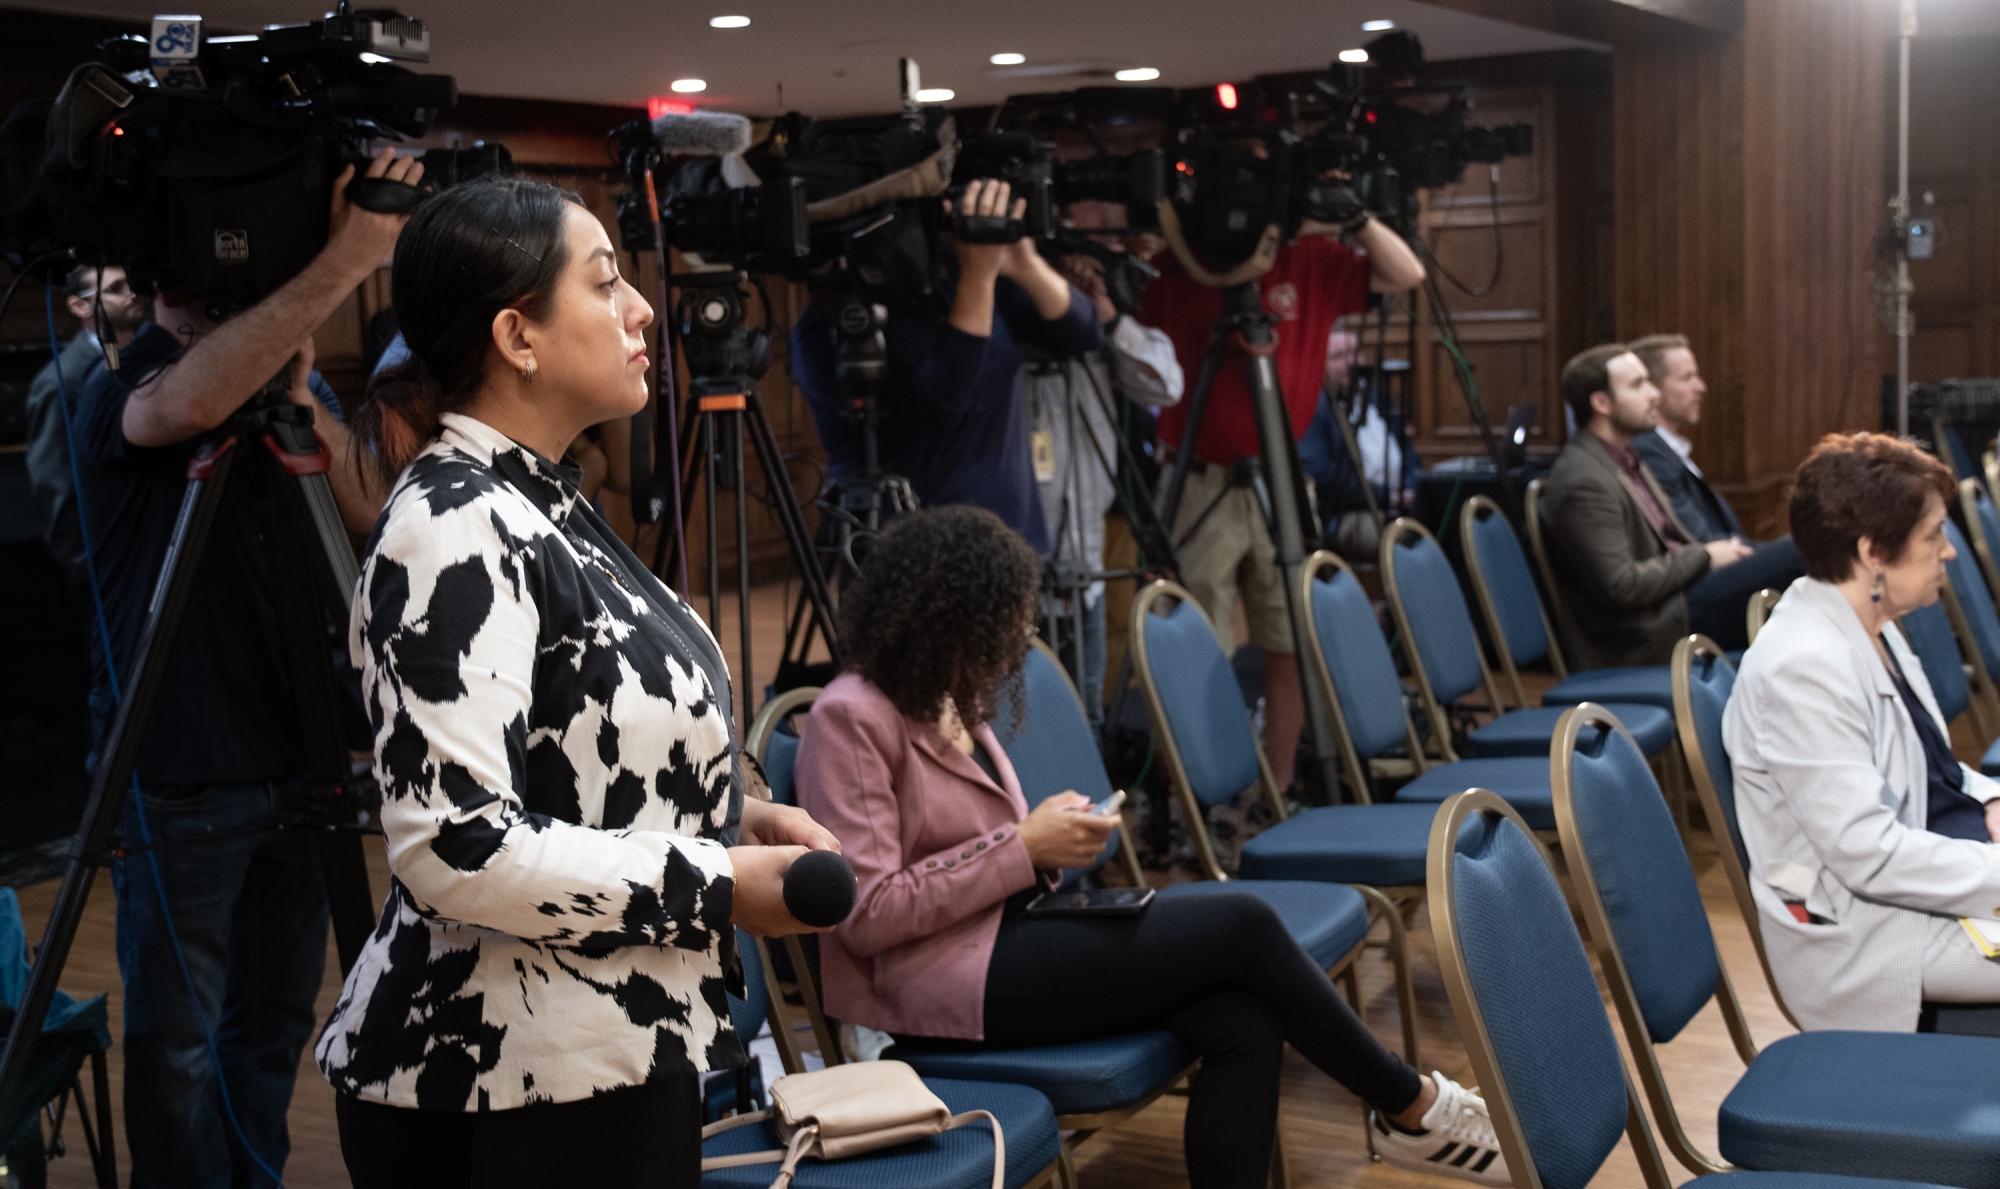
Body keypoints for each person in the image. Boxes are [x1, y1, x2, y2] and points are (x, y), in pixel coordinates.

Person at [314, 176, 838, 1186]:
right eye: (605, 286)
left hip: (593, 1053)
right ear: (518, 336)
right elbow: (456, 845)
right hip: (502, 1074)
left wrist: (729, 812)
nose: (643, 310)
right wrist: (717, 880)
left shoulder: (537, 494)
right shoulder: (453, 526)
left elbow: (589, 744)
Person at [792, 504, 1508, 1189]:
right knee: (1245, 922)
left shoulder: (945, 695)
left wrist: (1042, 837)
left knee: (1242, 1015)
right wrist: (1022, 844)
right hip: (933, 988)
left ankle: (1405, 1108)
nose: (1021, 628)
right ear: (952, 613)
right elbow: (866, 911)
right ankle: (1407, 1102)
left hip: (1008, 938)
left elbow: (975, 845)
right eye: (1008, 611)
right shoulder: (848, 717)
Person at [63, 148, 413, 1188]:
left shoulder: (281, 396)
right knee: (175, 1040)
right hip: (186, 772)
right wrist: (350, 257)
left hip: (302, 762)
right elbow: (185, 407)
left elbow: (373, 514)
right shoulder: (127, 392)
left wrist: (302, 394)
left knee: (272, 1022)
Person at [1138, 196, 1424, 792]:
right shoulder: (1178, 261)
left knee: (1290, 636)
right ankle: (1201, 795)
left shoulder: (1310, 258)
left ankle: (1280, 780)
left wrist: (1355, 213)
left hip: (1283, 474)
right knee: (1191, 646)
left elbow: (1407, 273)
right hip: (1197, 477)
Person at [1724, 433, 2000, 1031]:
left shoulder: (1871, 620)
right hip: (1870, 932)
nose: (1949, 552)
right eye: (1932, 537)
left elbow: (1930, 768)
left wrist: (1990, 797)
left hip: (1928, 869)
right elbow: (1868, 856)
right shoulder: (1804, 666)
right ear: (1874, 552)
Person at [792, 178, 1105, 553]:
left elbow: (1082, 334)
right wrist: (979, 275)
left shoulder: (958, 275)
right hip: (912, 555)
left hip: (1008, 544)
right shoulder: (829, 323)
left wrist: (1026, 265)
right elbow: (940, 401)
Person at [1028, 199, 1185, 726]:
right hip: (1020, 572)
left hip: (1086, 564)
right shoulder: (1008, 321)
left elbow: (1165, 385)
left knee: (1085, 715)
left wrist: (1105, 314)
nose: (1096, 263)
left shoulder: (1104, 332)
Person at [1539, 343, 1755, 669]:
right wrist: (1705, 556)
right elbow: (1621, 586)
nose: (1654, 394)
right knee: (1798, 559)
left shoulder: (1625, 457)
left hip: (1680, 597)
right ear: (1601, 403)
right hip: (1651, 629)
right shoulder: (1583, 480)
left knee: (1794, 572)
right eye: (1638, 385)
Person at [1627, 333, 1804, 646]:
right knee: (1808, 550)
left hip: (1712, 576)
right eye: (1687, 378)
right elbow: (1699, 542)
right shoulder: (1648, 452)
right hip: (1689, 599)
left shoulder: (1667, 450)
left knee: (1817, 553)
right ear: (1654, 389)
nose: (1701, 387)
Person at [24, 263, 150, 591]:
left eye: (131, 284)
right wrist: (92, 573)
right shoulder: (60, 382)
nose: (131, 294)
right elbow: (57, 489)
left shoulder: (152, 358)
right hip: (112, 573)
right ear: (79, 305)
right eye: (115, 289)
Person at [1297, 325, 1421, 562]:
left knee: (1446, 520)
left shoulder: (1376, 395)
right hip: (1349, 513)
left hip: (1400, 502)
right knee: (1401, 541)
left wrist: (1410, 487)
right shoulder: (1314, 409)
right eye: (1338, 357)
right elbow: (1323, 477)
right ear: (1319, 364)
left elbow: (1407, 451)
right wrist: (1386, 496)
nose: (1351, 362)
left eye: (1355, 353)